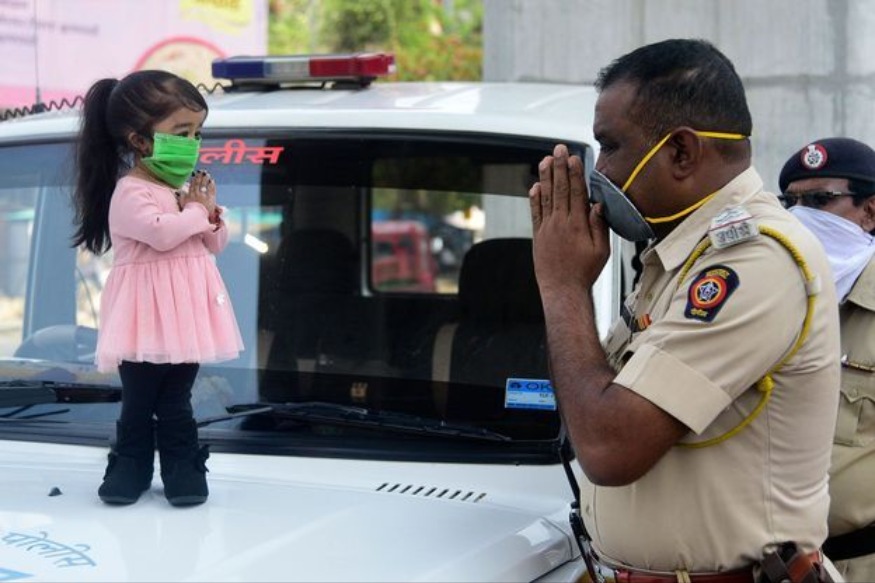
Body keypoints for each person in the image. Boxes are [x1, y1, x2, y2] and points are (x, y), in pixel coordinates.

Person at [529, 39, 842, 583]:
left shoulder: (754, 261)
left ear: (680, 152)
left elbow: (608, 447)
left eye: (611, 146)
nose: (602, 171)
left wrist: (562, 285)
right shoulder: (680, 255)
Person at [72, 70, 243, 507]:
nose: (193, 143)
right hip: (143, 325)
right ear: (140, 141)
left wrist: (210, 214)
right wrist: (197, 211)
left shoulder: (183, 192)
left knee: (176, 400)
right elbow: (162, 234)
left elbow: (216, 243)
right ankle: (129, 469)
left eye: (197, 133)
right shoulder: (131, 192)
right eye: (181, 133)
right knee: (138, 400)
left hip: (185, 324)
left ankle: (183, 471)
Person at [779, 137, 875, 582]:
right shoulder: (769, 300)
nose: (801, 217)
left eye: (820, 201)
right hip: (767, 563)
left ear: (870, 212)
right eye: (791, 202)